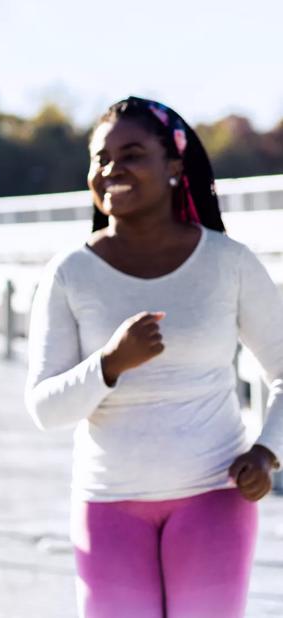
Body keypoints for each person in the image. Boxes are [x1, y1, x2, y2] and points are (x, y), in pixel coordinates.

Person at [25, 96, 283, 618]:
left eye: (132, 154)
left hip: (214, 496)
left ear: (174, 167)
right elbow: (44, 408)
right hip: (107, 504)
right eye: (100, 158)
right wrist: (109, 364)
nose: (111, 169)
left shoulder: (227, 262)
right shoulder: (69, 272)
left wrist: (266, 453)